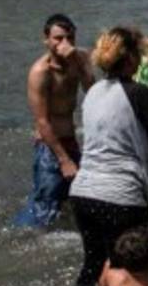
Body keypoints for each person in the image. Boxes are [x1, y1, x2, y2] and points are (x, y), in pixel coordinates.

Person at [69, 27, 148, 286]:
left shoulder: (93, 92)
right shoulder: (139, 93)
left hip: (82, 193)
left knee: (93, 265)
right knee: (130, 272)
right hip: (122, 197)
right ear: (132, 59)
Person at [15, 13, 94, 228]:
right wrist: (64, 160)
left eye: (70, 38)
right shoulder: (41, 72)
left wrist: (77, 63)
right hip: (50, 148)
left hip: (71, 141)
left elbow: (94, 93)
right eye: (58, 38)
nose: (65, 43)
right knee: (45, 208)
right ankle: (25, 235)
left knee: (76, 202)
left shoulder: (79, 59)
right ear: (46, 39)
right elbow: (41, 121)